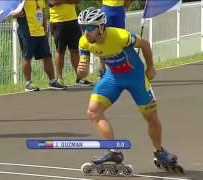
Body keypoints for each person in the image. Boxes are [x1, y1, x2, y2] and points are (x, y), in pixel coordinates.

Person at [77, 7, 181, 169]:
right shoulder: (84, 42)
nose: (86, 32)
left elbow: (145, 45)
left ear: (101, 27)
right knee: (93, 111)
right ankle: (114, 151)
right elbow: (82, 71)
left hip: (136, 77)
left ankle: (158, 151)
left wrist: (151, 68)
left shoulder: (120, 36)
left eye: (90, 27)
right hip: (113, 77)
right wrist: (81, 72)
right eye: (82, 28)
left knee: (151, 117)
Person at [11, 0, 64, 92]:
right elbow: (11, 12)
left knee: (47, 56)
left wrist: (45, 30)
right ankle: (28, 83)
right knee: (27, 57)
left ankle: (52, 81)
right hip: (27, 30)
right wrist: (15, 14)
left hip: (40, 31)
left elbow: (42, 13)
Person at [49, 0, 93, 87]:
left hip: (73, 20)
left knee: (75, 50)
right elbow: (53, 2)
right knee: (60, 50)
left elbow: (78, 1)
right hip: (58, 21)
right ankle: (59, 78)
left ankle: (79, 78)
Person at [98, 0, 132, 79]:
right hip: (106, 9)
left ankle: (121, 67)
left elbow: (128, 3)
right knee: (102, 39)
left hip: (119, 10)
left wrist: (126, 4)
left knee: (120, 39)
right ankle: (102, 69)